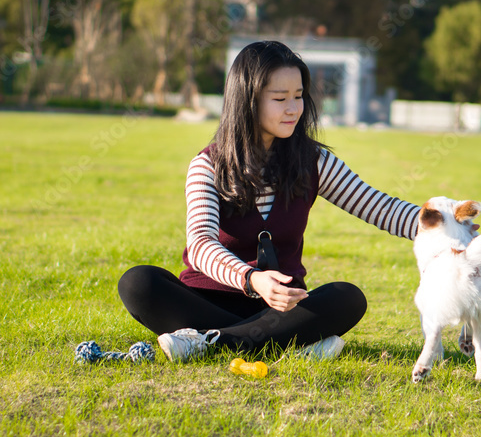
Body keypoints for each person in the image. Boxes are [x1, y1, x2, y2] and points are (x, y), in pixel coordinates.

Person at [118, 40, 422, 363]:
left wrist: (446, 223)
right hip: (207, 302)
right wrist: (252, 279)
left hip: (278, 310)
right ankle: (284, 345)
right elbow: (201, 244)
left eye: (299, 96)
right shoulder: (206, 166)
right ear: (247, 101)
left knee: (348, 298)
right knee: (138, 283)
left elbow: (379, 207)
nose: (294, 108)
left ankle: (208, 343)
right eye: (280, 99)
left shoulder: (313, 161)